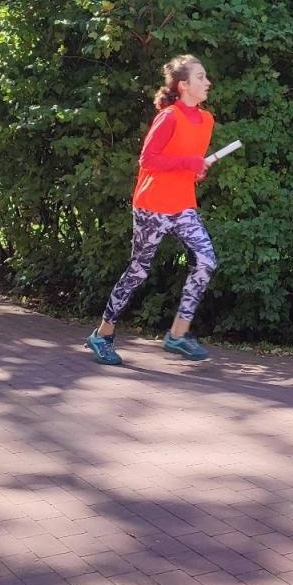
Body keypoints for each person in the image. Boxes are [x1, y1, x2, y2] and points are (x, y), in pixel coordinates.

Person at [87, 55, 217, 365]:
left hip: (183, 205)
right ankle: (102, 335)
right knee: (139, 271)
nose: (207, 82)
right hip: (152, 206)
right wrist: (189, 163)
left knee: (206, 261)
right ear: (183, 85)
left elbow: (186, 163)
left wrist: (197, 170)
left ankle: (177, 335)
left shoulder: (207, 120)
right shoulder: (169, 117)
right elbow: (148, 160)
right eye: (200, 77)